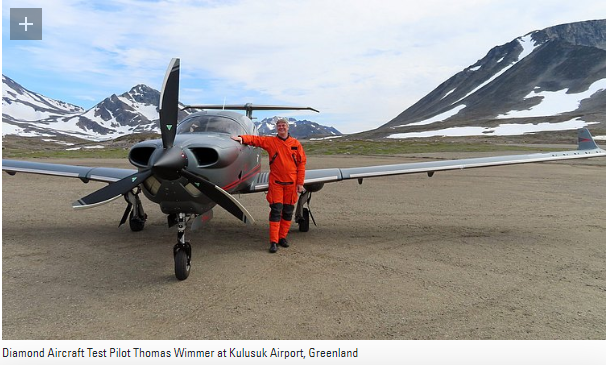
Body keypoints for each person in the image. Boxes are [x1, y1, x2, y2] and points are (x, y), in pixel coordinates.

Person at [232, 118, 306, 253]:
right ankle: (273, 241)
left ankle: (282, 237)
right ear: (276, 128)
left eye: (284, 125)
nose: (281, 127)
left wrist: (300, 183)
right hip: (276, 183)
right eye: (279, 126)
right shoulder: (271, 142)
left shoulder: (296, 144)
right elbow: (256, 140)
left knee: (288, 211)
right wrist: (242, 138)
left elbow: (301, 164)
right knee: (276, 211)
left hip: (291, 184)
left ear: (288, 127)